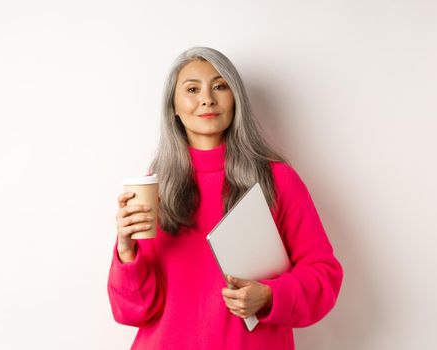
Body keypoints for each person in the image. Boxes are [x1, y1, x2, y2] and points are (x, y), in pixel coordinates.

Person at [107, 47, 343, 350]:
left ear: (236, 100)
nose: (207, 98)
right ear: (173, 108)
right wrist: (126, 249)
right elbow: (134, 310)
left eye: (220, 86)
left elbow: (324, 277)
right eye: (192, 89)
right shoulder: (156, 187)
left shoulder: (277, 180)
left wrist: (271, 295)